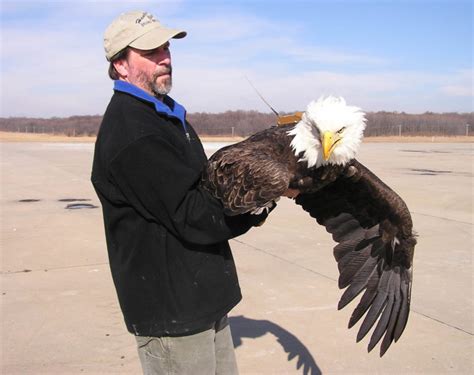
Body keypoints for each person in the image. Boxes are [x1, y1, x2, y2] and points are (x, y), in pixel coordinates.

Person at [91, 10, 294, 375]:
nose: (165, 57)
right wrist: (263, 192)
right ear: (121, 65)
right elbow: (193, 213)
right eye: (150, 52)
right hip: (171, 313)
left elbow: (206, 185)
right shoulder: (133, 133)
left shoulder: (164, 114)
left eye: (165, 48)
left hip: (202, 298)